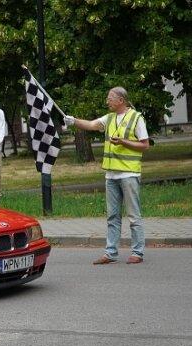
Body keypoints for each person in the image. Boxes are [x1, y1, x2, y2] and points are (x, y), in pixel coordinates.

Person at [64, 87, 150, 264]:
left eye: (110, 98)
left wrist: (123, 142)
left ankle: (137, 252)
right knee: (112, 216)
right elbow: (91, 125)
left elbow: (145, 145)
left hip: (129, 173)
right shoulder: (109, 118)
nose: (107, 101)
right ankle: (110, 253)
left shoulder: (136, 118)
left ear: (121, 100)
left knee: (133, 215)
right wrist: (73, 121)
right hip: (111, 175)